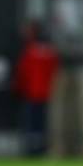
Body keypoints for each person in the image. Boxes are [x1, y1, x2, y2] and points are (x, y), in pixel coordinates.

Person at [14, 20, 59, 156]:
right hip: (45, 93)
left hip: (31, 93)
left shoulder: (30, 51)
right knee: (42, 124)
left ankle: (31, 150)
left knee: (31, 124)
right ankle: (42, 149)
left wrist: (19, 89)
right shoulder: (51, 52)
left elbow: (22, 72)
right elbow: (54, 71)